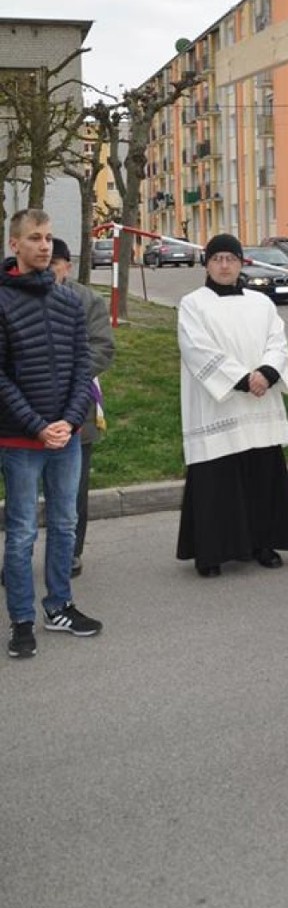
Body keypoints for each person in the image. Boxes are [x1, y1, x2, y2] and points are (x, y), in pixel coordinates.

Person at [0, 209, 103, 660]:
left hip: (66, 437)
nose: (45, 246)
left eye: (49, 238)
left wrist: (68, 420)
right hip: (21, 441)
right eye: (35, 238)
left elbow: (84, 368)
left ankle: (59, 606)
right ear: (13, 245)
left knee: (64, 524)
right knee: (22, 533)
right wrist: (38, 425)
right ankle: (22, 620)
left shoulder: (68, 301)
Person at [176, 233, 288, 577]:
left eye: (230, 259)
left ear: (240, 263)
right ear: (207, 264)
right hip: (218, 403)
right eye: (217, 259)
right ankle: (212, 551)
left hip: (258, 405)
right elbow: (196, 348)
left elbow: (278, 343)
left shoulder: (261, 303)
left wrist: (266, 372)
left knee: (262, 474)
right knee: (216, 479)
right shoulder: (193, 304)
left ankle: (264, 543)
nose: (224, 265)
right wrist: (243, 379)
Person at [49, 238, 116, 576]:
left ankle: (69, 553)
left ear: (67, 266)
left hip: (77, 408)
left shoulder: (88, 300)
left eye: (55, 263)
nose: (50, 269)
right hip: (23, 412)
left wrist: (64, 377)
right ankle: (17, 555)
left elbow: (102, 347)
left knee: (74, 488)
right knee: (23, 491)